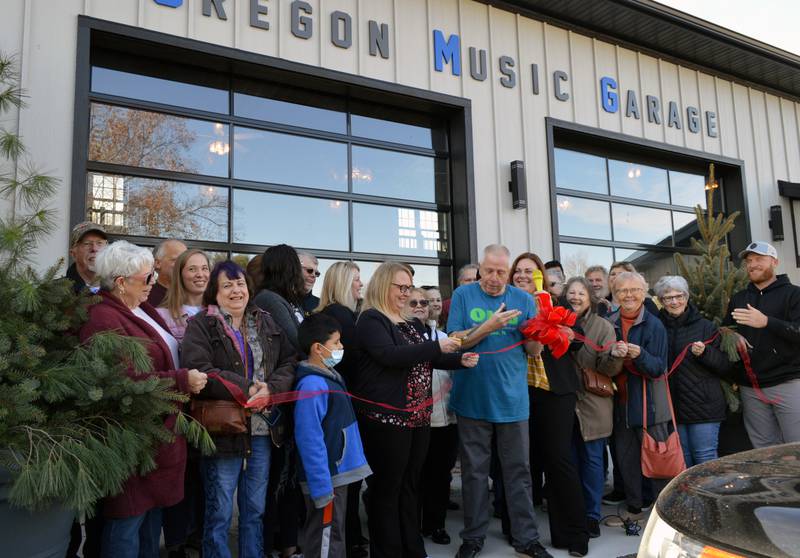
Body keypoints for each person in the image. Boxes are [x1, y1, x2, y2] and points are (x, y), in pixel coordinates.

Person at [79, 240, 207, 558]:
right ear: (121, 282)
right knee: (127, 523)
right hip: (132, 441)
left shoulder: (139, 308)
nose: (154, 283)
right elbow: (119, 382)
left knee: (150, 520)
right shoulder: (103, 319)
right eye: (147, 277)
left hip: (156, 437)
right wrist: (180, 380)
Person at [352, 261, 478, 558]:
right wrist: (438, 349)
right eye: (401, 287)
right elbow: (391, 356)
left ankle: (412, 547)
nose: (406, 293)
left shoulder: (408, 322)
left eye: (409, 287)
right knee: (387, 488)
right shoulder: (372, 320)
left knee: (410, 485)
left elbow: (423, 358)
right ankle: (389, 550)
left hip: (417, 418)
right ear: (384, 285)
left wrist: (459, 360)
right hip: (388, 420)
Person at [181, 260, 297, 558]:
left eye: (240, 283)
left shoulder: (266, 321)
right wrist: (246, 388)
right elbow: (199, 368)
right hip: (223, 433)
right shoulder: (201, 325)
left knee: (255, 511)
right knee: (218, 513)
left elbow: (289, 362)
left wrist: (271, 389)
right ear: (214, 292)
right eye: (227, 285)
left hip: (261, 431)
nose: (236, 290)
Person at [447, 245, 551, 558]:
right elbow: (454, 342)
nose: (494, 278)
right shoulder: (463, 296)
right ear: (480, 268)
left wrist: (539, 333)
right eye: (488, 271)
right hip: (472, 399)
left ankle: (527, 539)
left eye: (501, 272)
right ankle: (474, 537)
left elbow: (533, 351)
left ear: (509, 272)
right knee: (475, 473)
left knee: (519, 473)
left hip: (512, 401)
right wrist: (486, 327)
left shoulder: (523, 299)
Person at [294, 313, 373, 558]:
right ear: (318, 348)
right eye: (336, 343)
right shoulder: (312, 385)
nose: (341, 348)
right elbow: (309, 438)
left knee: (335, 533)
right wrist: (321, 486)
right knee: (325, 539)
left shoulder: (329, 378)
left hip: (336, 476)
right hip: (327, 479)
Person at [604, 271, 672, 527]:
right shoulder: (609, 321)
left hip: (648, 404)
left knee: (656, 458)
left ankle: (662, 513)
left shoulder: (654, 324)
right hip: (619, 402)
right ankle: (634, 508)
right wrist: (614, 354)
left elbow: (658, 368)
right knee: (626, 458)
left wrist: (639, 354)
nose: (629, 295)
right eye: (622, 291)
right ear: (615, 294)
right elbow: (602, 361)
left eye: (634, 290)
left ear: (644, 293)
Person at [565, 277, 625, 539]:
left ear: (590, 298)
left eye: (581, 293)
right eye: (571, 292)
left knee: (591, 463)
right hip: (564, 404)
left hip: (593, 403)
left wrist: (614, 356)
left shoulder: (602, 326)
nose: (576, 297)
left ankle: (591, 514)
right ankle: (571, 512)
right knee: (567, 462)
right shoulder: (556, 320)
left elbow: (608, 369)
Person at [724, 241, 800, 447]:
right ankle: (772, 482)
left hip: (787, 383)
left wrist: (766, 322)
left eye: (759, 259)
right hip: (751, 388)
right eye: (749, 261)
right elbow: (725, 328)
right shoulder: (739, 298)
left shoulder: (794, 294)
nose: (753, 264)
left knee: (795, 446)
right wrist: (732, 336)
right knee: (763, 450)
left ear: (774, 262)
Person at [316, 261, 368, 558]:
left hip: (337, 402)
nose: (360, 285)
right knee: (348, 475)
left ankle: (347, 536)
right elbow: (354, 361)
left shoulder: (328, 315)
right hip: (347, 404)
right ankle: (350, 539)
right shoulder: (342, 316)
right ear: (343, 282)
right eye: (356, 279)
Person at [654, 275, 730, 466]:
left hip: (703, 406)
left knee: (705, 457)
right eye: (668, 297)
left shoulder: (706, 326)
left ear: (687, 297)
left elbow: (725, 365)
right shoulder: (657, 327)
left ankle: (710, 496)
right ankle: (689, 497)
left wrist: (705, 353)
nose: (674, 301)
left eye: (679, 296)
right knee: (683, 460)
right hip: (673, 407)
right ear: (661, 301)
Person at [407, 288, 458, 546]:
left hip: (446, 419)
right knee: (416, 476)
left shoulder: (443, 336)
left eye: (424, 303)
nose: (420, 306)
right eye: (414, 301)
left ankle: (435, 525)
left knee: (441, 475)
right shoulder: (405, 338)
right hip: (419, 420)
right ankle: (412, 527)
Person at [508, 252, 547, 517]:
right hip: (513, 384)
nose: (523, 276)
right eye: (518, 271)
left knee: (542, 451)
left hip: (544, 385)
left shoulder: (548, 302)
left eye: (530, 271)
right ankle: (520, 508)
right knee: (519, 454)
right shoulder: (506, 302)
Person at [254, 244, 306, 353]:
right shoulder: (269, 299)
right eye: (297, 265)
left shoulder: (289, 298)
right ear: (290, 268)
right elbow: (295, 341)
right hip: (287, 367)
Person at [157, 249, 210, 342]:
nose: (200, 274)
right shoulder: (161, 316)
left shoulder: (220, 313)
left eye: (204, 268)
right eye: (192, 269)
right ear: (180, 275)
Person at [66, 221, 107, 294]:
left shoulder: (121, 290)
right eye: (87, 243)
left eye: (99, 243)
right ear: (73, 254)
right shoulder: (54, 292)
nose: (94, 249)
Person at [148, 239, 187, 306]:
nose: (184, 264)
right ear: (157, 263)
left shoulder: (195, 295)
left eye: (186, 260)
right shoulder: (145, 296)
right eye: (177, 260)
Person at [299, 250, 321, 315]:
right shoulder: (281, 300)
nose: (314, 275)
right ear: (296, 270)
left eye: (317, 273)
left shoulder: (321, 305)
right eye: (309, 270)